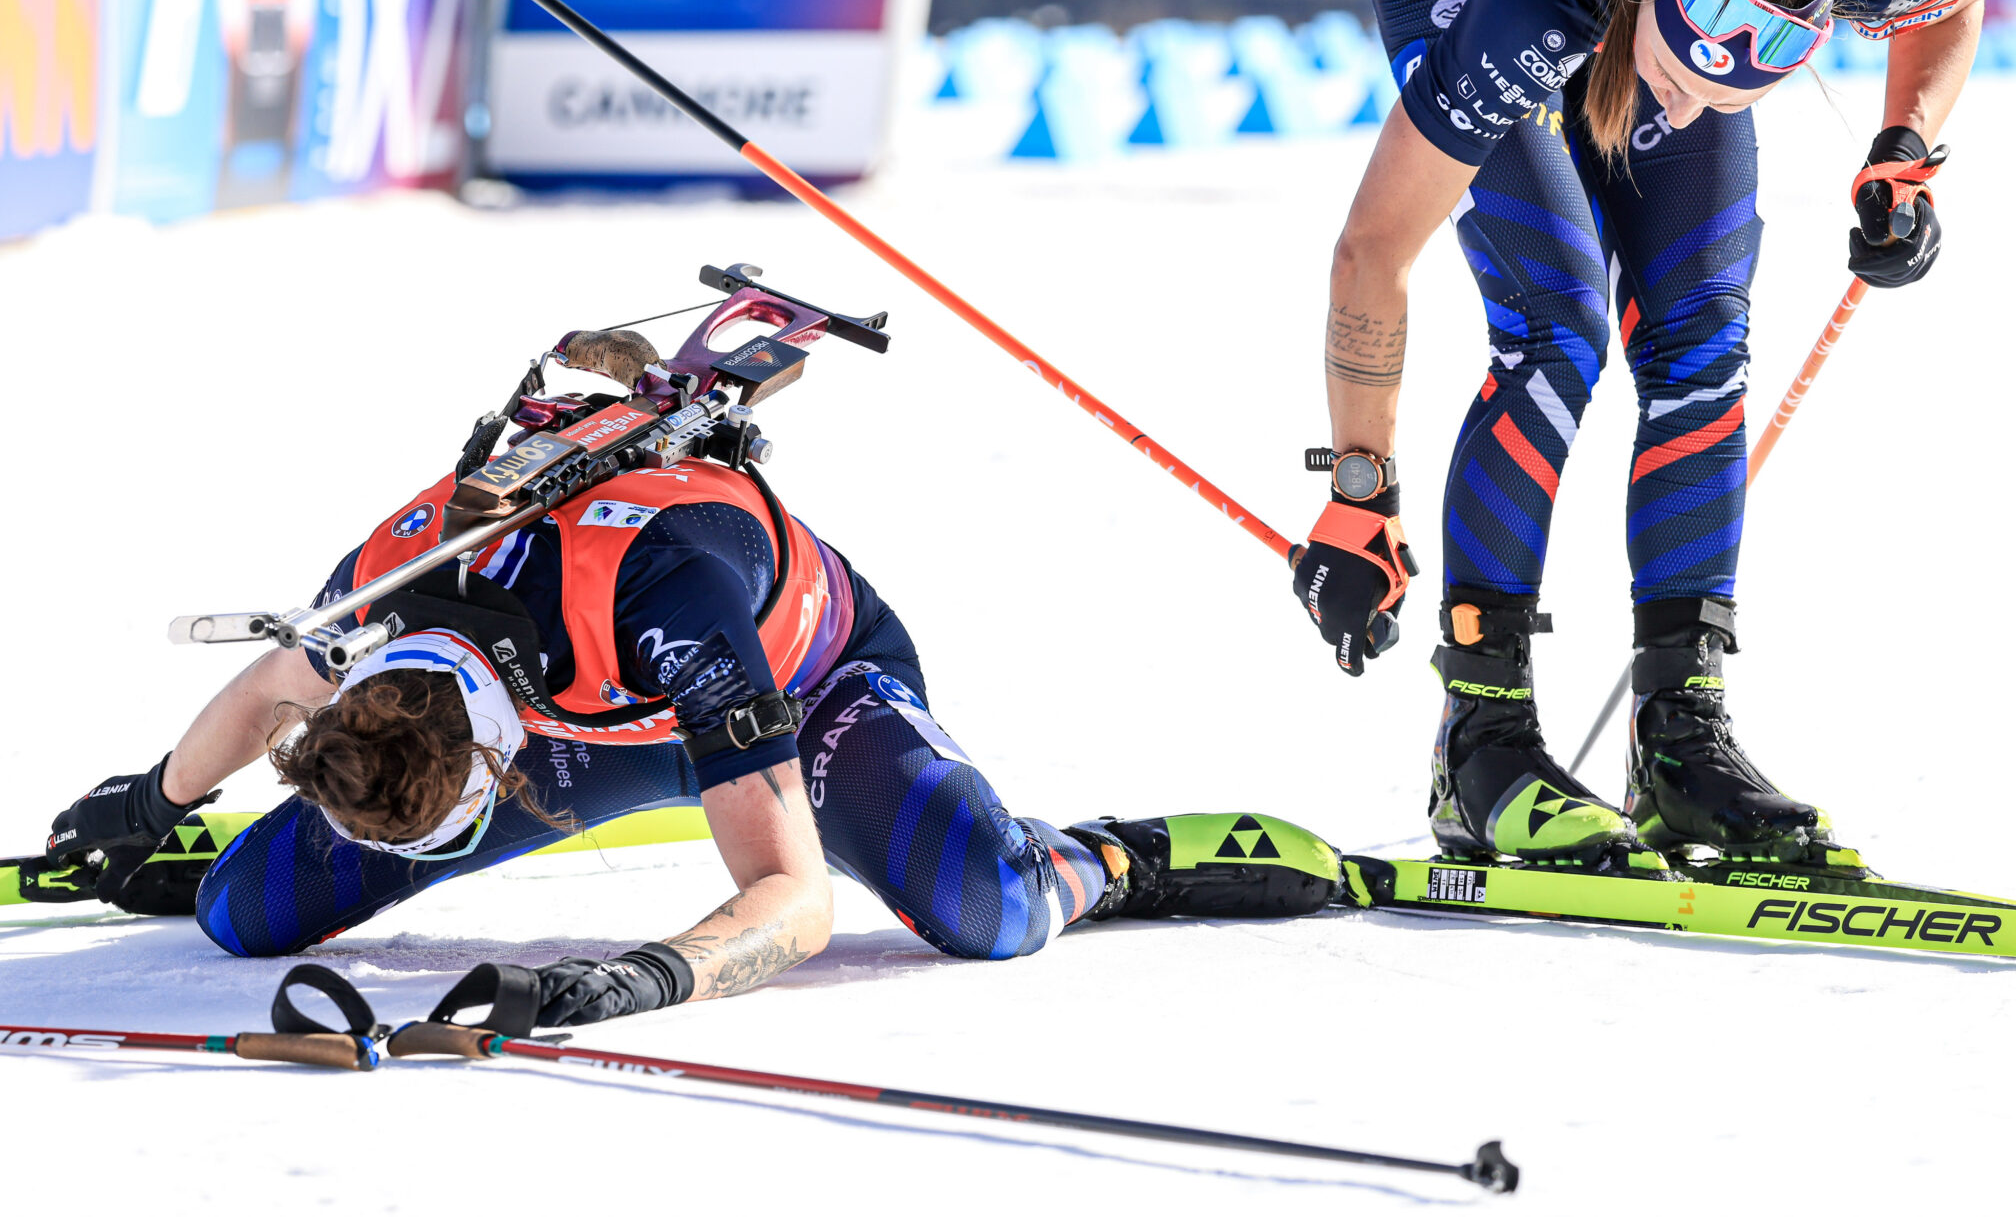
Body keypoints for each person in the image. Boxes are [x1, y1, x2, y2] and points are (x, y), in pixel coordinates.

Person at [47, 328, 1339, 1026]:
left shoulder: (667, 596)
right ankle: (254, 834)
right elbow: (279, 672)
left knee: (984, 900)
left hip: (804, 684)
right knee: (241, 909)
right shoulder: (398, 572)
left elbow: (790, 895)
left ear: (489, 765)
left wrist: (638, 973)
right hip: (569, 722)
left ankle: (1108, 857)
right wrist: (156, 797)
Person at [1289, 0, 1980, 870]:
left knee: (1703, 341)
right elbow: (1372, 251)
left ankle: (1680, 742)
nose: (1689, 100)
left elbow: (1956, 5)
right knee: (1555, 331)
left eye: (1734, 91)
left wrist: (1899, 155)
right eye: (1683, 71)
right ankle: (1481, 740)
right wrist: (1359, 496)